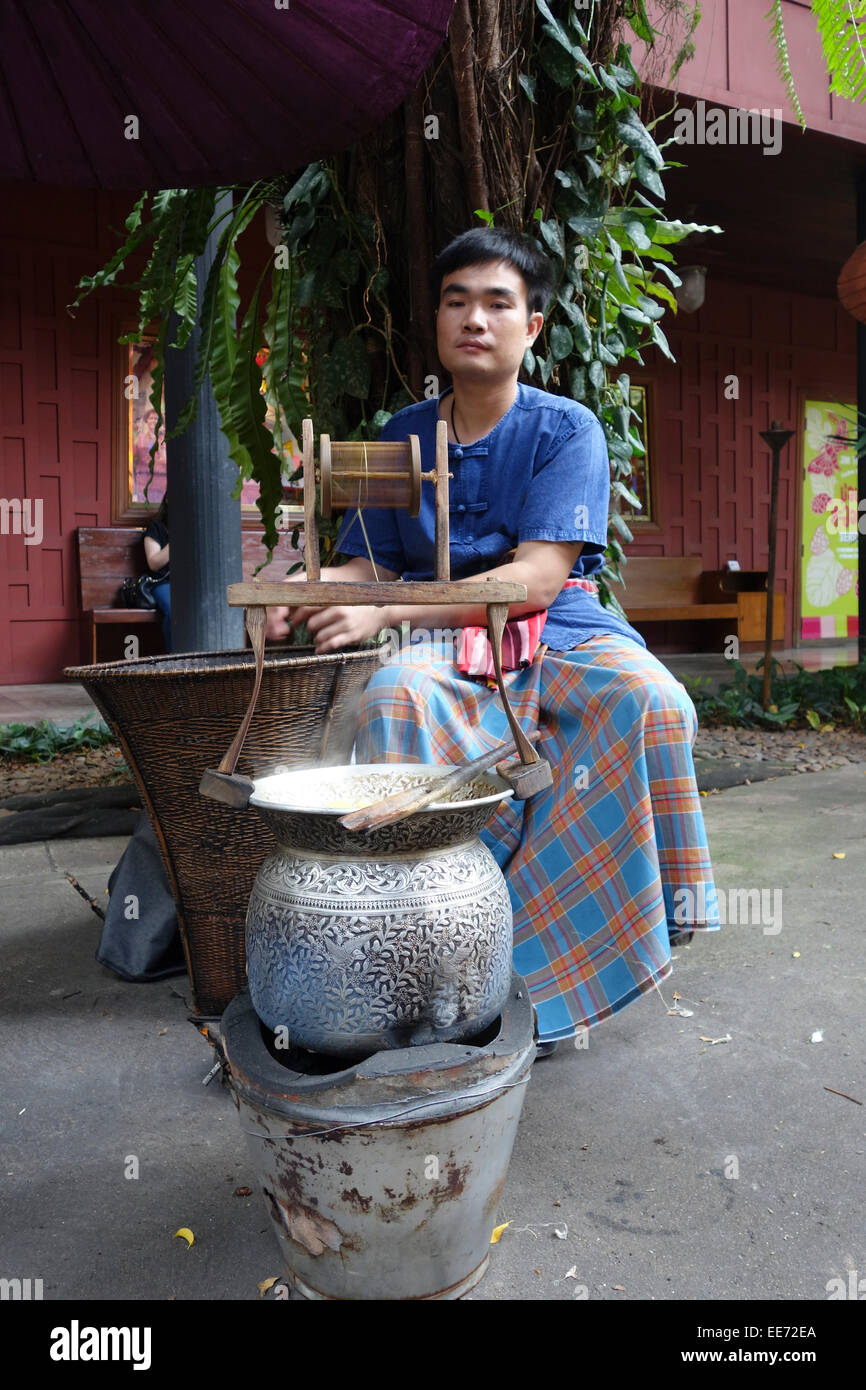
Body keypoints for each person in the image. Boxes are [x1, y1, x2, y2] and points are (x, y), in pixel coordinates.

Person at [265, 227, 719, 1054]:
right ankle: (426, 962)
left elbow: (537, 579)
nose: (474, 317)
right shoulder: (393, 432)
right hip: (440, 643)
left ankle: (548, 972)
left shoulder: (568, 427)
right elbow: (365, 566)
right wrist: (310, 587)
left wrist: (388, 610)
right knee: (397, 695)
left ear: (532, 327)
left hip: (562, 627)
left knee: (652, 701)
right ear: (437, 321)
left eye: (497, 302)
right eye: (455, 300)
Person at [143, 495, 171, 650]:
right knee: (175, 613)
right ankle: (175, 662)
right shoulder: (156, 527)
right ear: (167, 500)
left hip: (190, 584)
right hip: (163, 583)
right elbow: (153, 563)